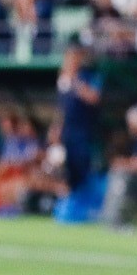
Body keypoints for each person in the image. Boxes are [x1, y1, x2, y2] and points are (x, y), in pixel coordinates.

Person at [55, 43, 101, 193]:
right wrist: (56, 129)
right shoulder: (62, 80)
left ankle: (85, 196)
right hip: (68, 130)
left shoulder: (88, 76)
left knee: (83, 165)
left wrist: (75, 82)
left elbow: (93, 98)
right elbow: (61, 109)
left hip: (83, 130)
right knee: (68, 168)